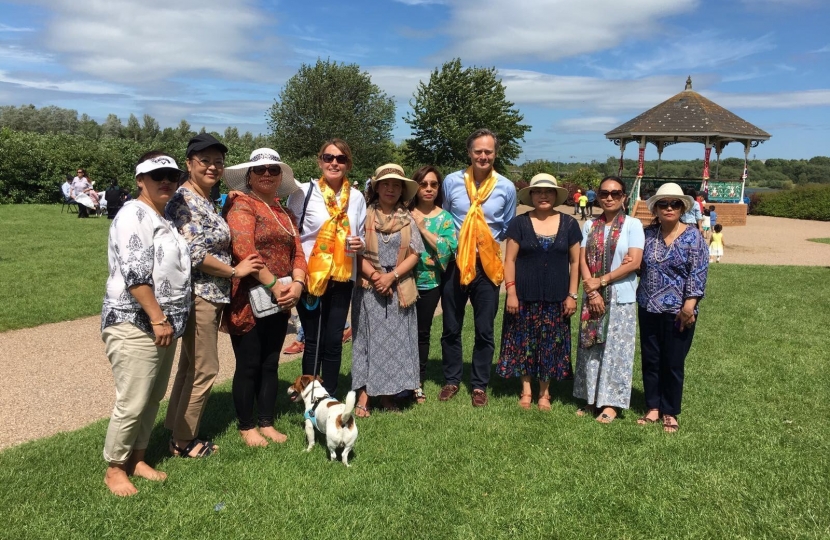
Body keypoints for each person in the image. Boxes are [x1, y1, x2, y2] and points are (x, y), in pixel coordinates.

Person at [165, 133, 264, 458]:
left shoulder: (204, 197)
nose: (212, 166)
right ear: (190, 163)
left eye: (218, 162)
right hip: (199, 295)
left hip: (210, 294)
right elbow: (194, 252)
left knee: (189, 366)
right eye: (205, 161)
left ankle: (175, 428)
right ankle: (184, 441)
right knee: (206, 368)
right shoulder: (183, 201)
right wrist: (235, 271)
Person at [100, 152, 191, 496]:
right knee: (133, 399)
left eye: (170, 175)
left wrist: (165, 320)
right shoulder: (132, 214)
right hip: (135, 321)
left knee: (152, 397)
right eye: (157, 176)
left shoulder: (162, 216)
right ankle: (114, 468)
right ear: (140, 180)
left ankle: (137, 458)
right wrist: (157, 317)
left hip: (161, 324)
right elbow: (134, 272)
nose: (165, 181)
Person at [223, 148, 306, 446]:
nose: (267, 174)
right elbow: (243, 248)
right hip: (249, 297)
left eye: (273, 169)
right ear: (249, 176)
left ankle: (266, 422)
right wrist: (275, 285)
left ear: (280, 175)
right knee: (248, 364)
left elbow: (298, 252)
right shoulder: (243, 205)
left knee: (270, 362)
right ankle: (247, 427)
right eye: (260, 170)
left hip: (281, 297)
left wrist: (296, 284)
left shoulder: (284, 211)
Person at [439, 129, 516, 407]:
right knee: (451, 326)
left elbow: (507, 225)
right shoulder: (451, 182)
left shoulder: (506, 187)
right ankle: (451, 379)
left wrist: (485, 244)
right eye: (478, 151)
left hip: (488, 265)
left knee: (484, 329)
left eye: (489, 151)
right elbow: (447, 215)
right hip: (457, 262)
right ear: (469, 153)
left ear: (495, 153)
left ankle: (479, 385)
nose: (483, 156)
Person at [286, 139, 366, 397]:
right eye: (329, 157)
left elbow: (361, 234)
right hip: (311, 276)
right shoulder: (302, 193)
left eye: (340, 158)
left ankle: (328, 394)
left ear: (348, 164)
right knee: (313, 340)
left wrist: (359, 243)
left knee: (333, 340)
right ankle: (309, 395)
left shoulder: (356, 197)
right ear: (319, 161)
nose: (334, 162)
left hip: (343, 276)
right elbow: (291, 234)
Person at [496, 174, 581, 410]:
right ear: (531, 195)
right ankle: (526, 389)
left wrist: (572, 295)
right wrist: (511, 293)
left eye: (548, 191)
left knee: (551, 344)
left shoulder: (570, 224)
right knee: (524, 342)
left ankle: (545, 392)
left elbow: (575, 263)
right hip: (523, 295)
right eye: (538, 191)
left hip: (556, 296)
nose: (543, 196)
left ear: (556, 195)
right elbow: (509, 260)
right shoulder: (519, 223)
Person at [351, 164, 424, 415]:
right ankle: (364, 395)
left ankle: (388, 395)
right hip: (368, 286)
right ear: (376, 187)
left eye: (396, 185)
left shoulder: (408, 218)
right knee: (367, 341)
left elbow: (415, 254)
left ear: (402, 190)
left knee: (395, 344)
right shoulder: (364, 215)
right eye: (385, 184)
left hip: (399, 286)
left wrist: (391, 276)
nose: (390, 189)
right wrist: (375, 277)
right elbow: (355, 253)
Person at [637, 183, 709, 433]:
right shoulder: (647, 235)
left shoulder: (693, 236)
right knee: (651, 359)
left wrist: (689, 306)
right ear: (655, 208)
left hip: (679, 310)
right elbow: (637, 264)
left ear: (682, 208)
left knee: (674, 361)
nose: (669, 208)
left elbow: (698, 272)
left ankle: (670, 411)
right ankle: (653, 407)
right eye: (663, 204)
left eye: (674, 203)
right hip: (648, 306)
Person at [573, 176, 644, 423]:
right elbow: (581, 260)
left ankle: (612, 402)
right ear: (598, 196)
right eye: (604, 193)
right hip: (592, 295)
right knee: (591, 348)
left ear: (624, 197)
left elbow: (634, 262)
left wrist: (601, 280)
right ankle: (591, 398)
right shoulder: (590, 225)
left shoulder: (633, 225)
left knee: (617, 349)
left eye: (615, 193)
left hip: (619, 296)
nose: (609, 198)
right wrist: (591, 291)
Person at [409, 165, 457, 404]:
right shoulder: (403, 211)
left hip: (429, 283)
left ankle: (417, 382)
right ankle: (395, 381)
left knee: (421, 333)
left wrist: (420, 227)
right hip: (402, 280)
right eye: (423, 184)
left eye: (433, 184)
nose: (428, 188)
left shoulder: (445, 218)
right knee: (398, 332)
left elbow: (448, 251)